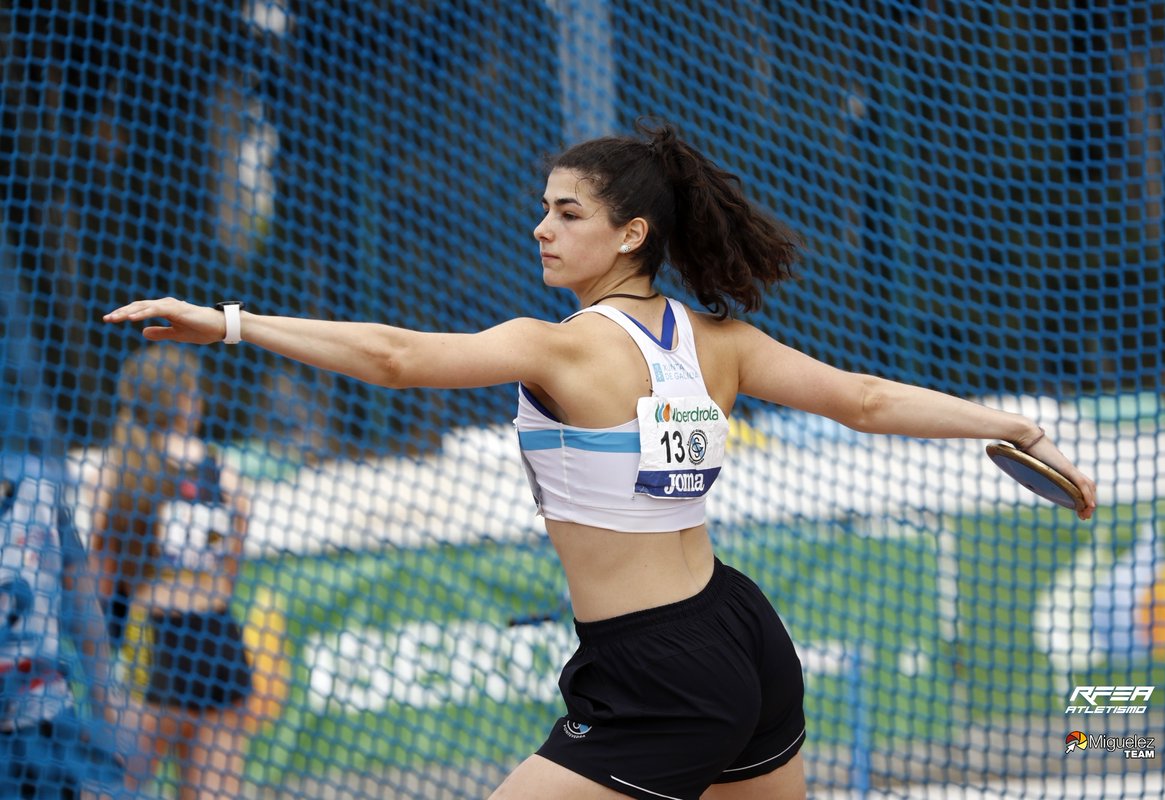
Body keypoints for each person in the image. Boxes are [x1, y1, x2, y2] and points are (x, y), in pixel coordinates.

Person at [103, 121, 1097, 800]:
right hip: (741, 630)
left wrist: (229, 322)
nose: (541, 225)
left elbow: (395, 357)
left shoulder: (564, 344)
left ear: (632, 231)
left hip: (660, 665)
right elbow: (869, 402)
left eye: (567, 211)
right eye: (543, 207)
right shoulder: (722, 340)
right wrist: (1008, 424)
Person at [89, 347, 255, 800]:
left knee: (113, 786)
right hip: (218, 640)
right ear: (183, 400)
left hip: (153, 642)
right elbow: (231, 573)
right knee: (212, 792)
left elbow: (100, 578)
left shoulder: (118, 470)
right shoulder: (225, 474)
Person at [1, 443, 129, 800]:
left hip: (43, 719)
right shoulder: (38, 478)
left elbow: (82, 596)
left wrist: (106, 704)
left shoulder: (37, 480)